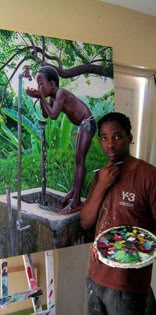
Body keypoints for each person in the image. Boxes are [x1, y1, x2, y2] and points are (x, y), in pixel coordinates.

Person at [80, 112, 156, 315]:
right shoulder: (101, 176)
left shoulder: (149, 175)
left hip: (127, 286)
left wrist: (137, 249)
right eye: (104, 138)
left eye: (117, 136)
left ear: (130, 138)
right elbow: (86, 222)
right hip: (95, 278)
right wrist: (102, 186)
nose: (110, 145)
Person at [26, 65, 96, 214]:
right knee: (78, 159)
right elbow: (46, 114)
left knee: (80, 159)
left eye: (41, 83)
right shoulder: (52, 97)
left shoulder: (61, 93)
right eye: (37, 84)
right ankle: (74, 192)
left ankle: (76, 201)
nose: (39, 86)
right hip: (82, 125)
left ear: (52, 84)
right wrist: (40, 98)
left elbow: (53, 115)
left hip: (87, 122)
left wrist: (41, 96)